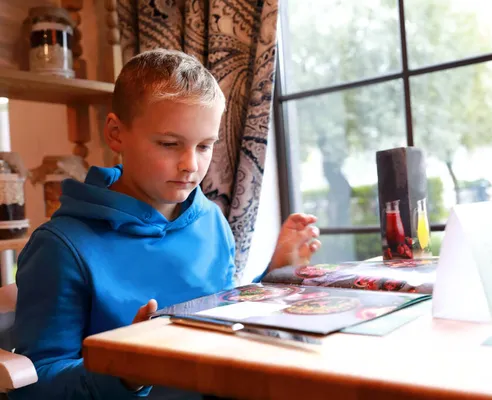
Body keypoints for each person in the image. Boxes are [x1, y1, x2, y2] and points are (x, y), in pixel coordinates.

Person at [9, 49, 321, 400]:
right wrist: (126, 370)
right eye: (170, 144)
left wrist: (275, 278)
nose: (191, 164)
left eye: (205, 146)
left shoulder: (212, 222)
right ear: (115, 133)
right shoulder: (61, 246)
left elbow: (225, 321)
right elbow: (36, 386)